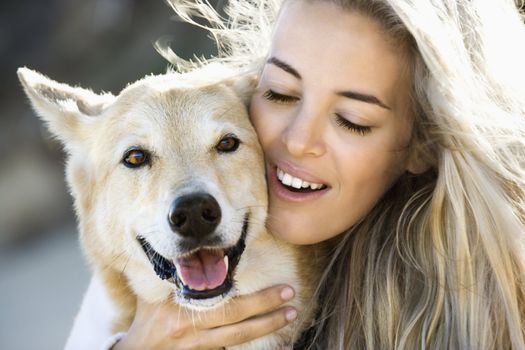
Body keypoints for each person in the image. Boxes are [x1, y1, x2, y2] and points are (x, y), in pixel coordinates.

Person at [65, 0, 525, 349]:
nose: (297, 140)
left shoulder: (483, 305)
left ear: (423, 144)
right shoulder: (144, 267)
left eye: (352, 120)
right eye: (281, 94)